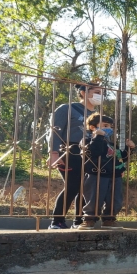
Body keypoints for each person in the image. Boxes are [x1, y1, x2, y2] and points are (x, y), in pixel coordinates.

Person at [47, 81, 102, 229]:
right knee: (72, 186)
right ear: (83, 92)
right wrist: (54, 153)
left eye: (101, 93)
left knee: (86, 188)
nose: (100, 96)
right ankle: (57, 221)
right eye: (96, 92)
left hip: (90, 153)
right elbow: (55, 131)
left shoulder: (97, 116)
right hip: (69, 150)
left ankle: (79, 221)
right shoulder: (68, 108)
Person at [77, 113, 135, 230]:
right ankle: (89, 220)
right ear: (93, 127)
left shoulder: (111, 144)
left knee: (114, 199)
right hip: (96, 174)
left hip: (114, 175)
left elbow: (121, 157)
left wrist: (130, 149)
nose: (109, 128)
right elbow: (94, 152)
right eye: (105, 125)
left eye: (110, 126)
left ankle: (109, 219)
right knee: (94, 198)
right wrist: (98, 137)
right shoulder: (87, 140)